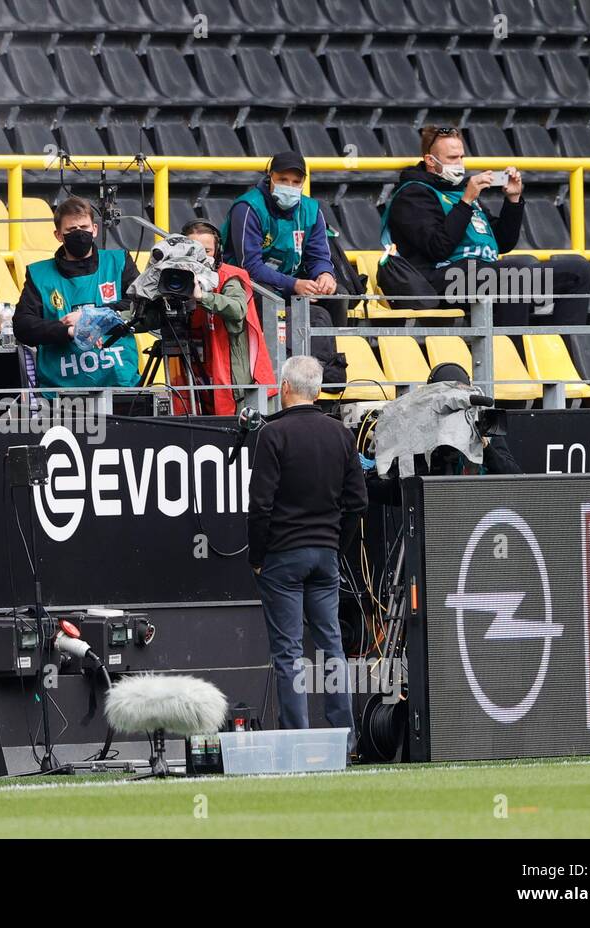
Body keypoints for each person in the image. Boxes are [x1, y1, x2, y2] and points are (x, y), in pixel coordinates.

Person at [248, 355, 368, 747]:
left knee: (289, 652)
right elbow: (358, 502)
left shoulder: (272, 435)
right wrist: (337, 546)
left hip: (283, 556)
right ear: (317, 390)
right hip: (325, 554)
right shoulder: (341, 435)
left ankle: (296, 741)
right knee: (332, 645)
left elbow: (260, 505)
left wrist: (258, 557)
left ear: (284, 388)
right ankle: (345, 740)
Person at [384, 125, 590, 330]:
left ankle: (564, 350)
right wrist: (466, 202)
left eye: (461, 157)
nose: (459, 163)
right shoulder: (412, 195)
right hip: (441, 281)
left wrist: (513, 200)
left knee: (578, 270)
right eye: (452, 158)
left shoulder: (460, 190)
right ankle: (510, 355)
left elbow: (502, 243)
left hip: (483, 274)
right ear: (430, 160)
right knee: (514, 272)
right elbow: (438, 248)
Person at [13, 195, 141, 391]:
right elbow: (23, 326)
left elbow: (140, 308)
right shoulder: (39, 275)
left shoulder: (119, 261)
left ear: (95, 229)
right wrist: (69, 331)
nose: (79, 234)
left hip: (120, 384)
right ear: (58, 235)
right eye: (71, 230)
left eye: (84, 227)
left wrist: (90, 316)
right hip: (61, 390)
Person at [177, 219, 276, 415]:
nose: (198, 257)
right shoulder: (174, 279)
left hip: (241, 387)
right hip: (201, 375)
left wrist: (202, 297)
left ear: (218, 252)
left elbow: (237, 308)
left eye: (206, 251)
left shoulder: (230, 276)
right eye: (192, 250)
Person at [221, 150, 336, 303]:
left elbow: (318, 256)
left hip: (295, 282)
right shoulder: (248, 208)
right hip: (252, 283)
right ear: (270, 176)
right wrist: (293, 284)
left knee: (337, 294)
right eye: (282, 179)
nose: (290, 186)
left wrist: (325, 274)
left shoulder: (311, 210)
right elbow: (250, 267)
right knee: (267, 295)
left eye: (296, 182)